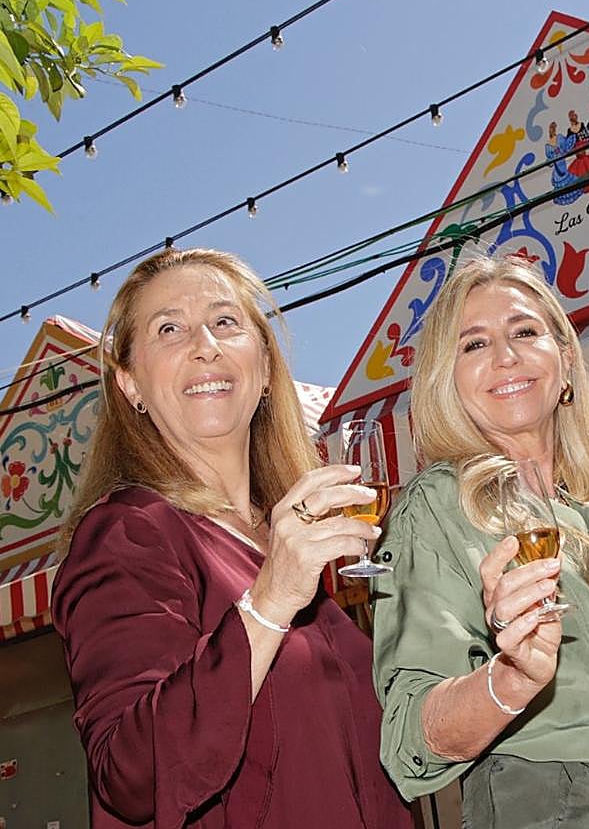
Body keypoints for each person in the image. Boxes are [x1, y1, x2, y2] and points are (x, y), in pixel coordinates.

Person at [52, 248, 411, 828]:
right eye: (169, 328)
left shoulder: (287, 547)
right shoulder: (129, 532)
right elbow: (130, 774)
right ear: (130, 384)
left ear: (266, 371)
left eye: (225, 322)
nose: (205, 344)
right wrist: (270, 602)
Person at [371, 254, 589, 827]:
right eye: (474, 344)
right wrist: (510, 677)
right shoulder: (435, 508)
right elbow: (410, 736)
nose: (506, 356)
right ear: (446, 380)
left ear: (564, 360)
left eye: (525, 331)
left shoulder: (587, 513)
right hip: (557, 797)